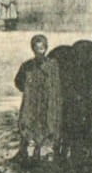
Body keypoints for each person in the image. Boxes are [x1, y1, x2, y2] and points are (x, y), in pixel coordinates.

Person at [14, 34, 62, 164]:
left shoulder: (52, 65)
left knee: (47, 124)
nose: (40, 52)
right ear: (33, 49)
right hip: (33, 102)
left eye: (42, 48)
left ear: (46, 48)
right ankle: (29, 152)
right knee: (30, 125)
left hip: (47, 101)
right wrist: (30, 92)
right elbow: (19, 82)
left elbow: (57, 85)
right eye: (37, 48)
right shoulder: (27, 66)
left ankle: (44, 151)